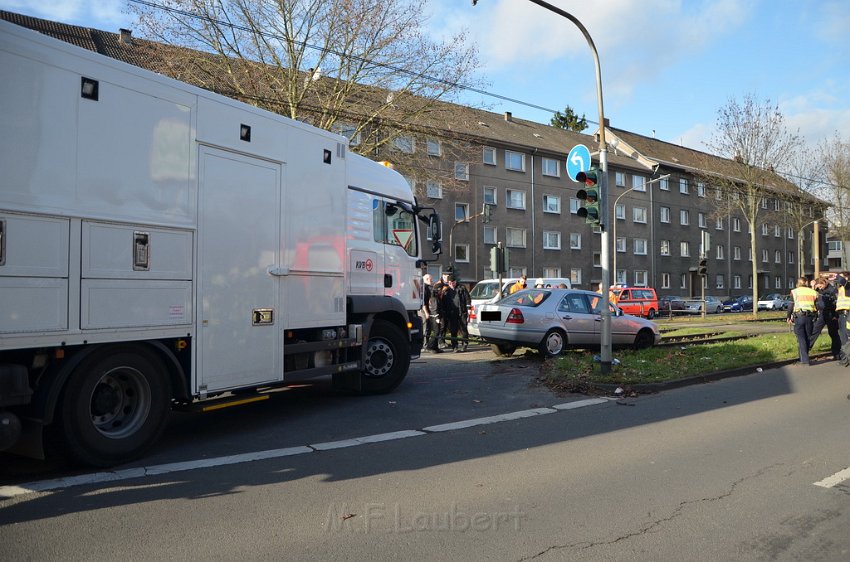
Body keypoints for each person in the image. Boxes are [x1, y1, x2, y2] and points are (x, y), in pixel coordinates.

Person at [787, 277, 818, 365]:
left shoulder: (795, 291)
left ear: (798, 283)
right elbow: (817, 305)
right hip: (810, 317)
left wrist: (788, 316)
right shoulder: (813, 292)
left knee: (801, 338)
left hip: (799, 317)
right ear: (806, 283)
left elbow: (790, 306)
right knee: (808, 337)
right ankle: (804, 357)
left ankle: (805, 359)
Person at [810, 275, 841, 360]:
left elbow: (837, 303)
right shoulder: (819, 289)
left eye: (820, 286)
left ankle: (837, 353)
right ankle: (807, 349)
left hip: (831, 314)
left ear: (823, 283)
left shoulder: (833, 290)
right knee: (815, 330)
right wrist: (813, 286)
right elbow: (813, 295)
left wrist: (836, 315)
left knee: (833, 333)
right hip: (822, 313)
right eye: (818, 287)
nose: (820, 288)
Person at [448, 277, 471, 351]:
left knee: (463, 328)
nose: (452, 284)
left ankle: (465, 344)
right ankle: (454, 346)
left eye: (453, 283)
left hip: (462, 311)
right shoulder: (447, 290)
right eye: (450, 283)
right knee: (453, 329)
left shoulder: (461, 288)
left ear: (455, 281)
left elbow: (467, 298)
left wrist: (468, 309)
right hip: (452, 312)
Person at [422, 273, 442, 353]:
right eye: (431, 279)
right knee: (426, 329)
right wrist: (426, 313)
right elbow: (423, 302)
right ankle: (426, 346)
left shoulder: (430, 288)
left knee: (432, 329)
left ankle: (433, 346)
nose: (432, 280)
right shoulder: (424, 288)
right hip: (425, 311)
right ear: (427, 279)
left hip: (431, 311)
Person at [834, 272, 850, 360]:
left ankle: (846, 358)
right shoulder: (841, 289)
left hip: (846, 314)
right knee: (843, 336)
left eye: (842, 277)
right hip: (841, 314)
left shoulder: (848, 286)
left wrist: (836, 275)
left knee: (845, 337)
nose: (839, 279)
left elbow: (843, 281)